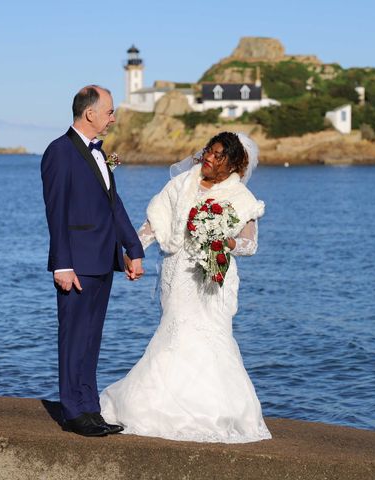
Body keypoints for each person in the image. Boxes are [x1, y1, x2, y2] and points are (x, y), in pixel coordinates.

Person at [100, 131, 271, 443]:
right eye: (209, 150)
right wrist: (134, 253)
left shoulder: (241, 199)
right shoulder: (180, 184)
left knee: (212, 338)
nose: (208, 157)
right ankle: (156, 408)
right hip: (179, 273)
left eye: (218, 155)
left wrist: (225, 239)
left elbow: (249, 244)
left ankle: (218, 413)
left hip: (214, 278)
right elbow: (154, 223)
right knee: (175, 335)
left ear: (233, 165)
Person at [41, 85, 145, 437]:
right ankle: (73, 411)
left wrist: (134, 250)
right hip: (77, 264)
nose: (113, 118)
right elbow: (56, 213)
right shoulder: (59, 152)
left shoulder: (101, 155)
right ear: (90, 114)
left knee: (91, 339)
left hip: (104, 260)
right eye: (110, 111)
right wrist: (61, 264)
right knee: (73, 337)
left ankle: (90, 408)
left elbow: (114, 207)